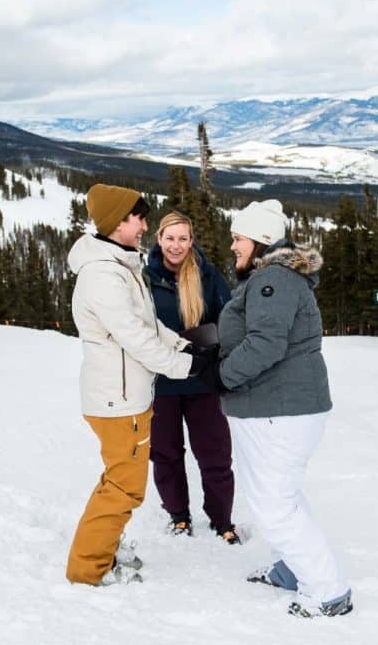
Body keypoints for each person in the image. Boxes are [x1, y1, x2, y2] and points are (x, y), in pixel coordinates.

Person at [201, 198, 353, 618]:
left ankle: (327, 591)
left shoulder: (275, 279)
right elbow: (250, 327)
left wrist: (222, 376)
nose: (232, 246)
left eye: (238, 238)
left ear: (260, 239)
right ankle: (295, 568)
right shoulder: (268, 277)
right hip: (269, 407)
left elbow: (267, 342)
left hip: (282, 410)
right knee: (280, 497)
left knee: (274, 505)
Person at [65, 184, 212, 586]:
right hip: (117, 400)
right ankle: (88, 569)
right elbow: (135, 338)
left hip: (127, 396)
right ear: (118, 223)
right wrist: (186, 367)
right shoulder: (104, 276)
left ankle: (104, 550)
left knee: (119, 481)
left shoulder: (121, 267)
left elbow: (150, 325)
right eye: (139, 218)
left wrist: (185, 346)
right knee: (123, 488)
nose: (146, 225)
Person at [144, 211, 240, 544]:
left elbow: (228, 320)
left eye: (183, 238)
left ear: (191, 240)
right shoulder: (145, 279)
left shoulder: (208, 276)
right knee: (166, 454)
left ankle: (221, 518)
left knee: (214, 453)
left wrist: (217, 358)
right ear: (159, 239)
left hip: (202, 380)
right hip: (161, 383)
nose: (176, 245)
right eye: (170, 238)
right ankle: (179, 515)